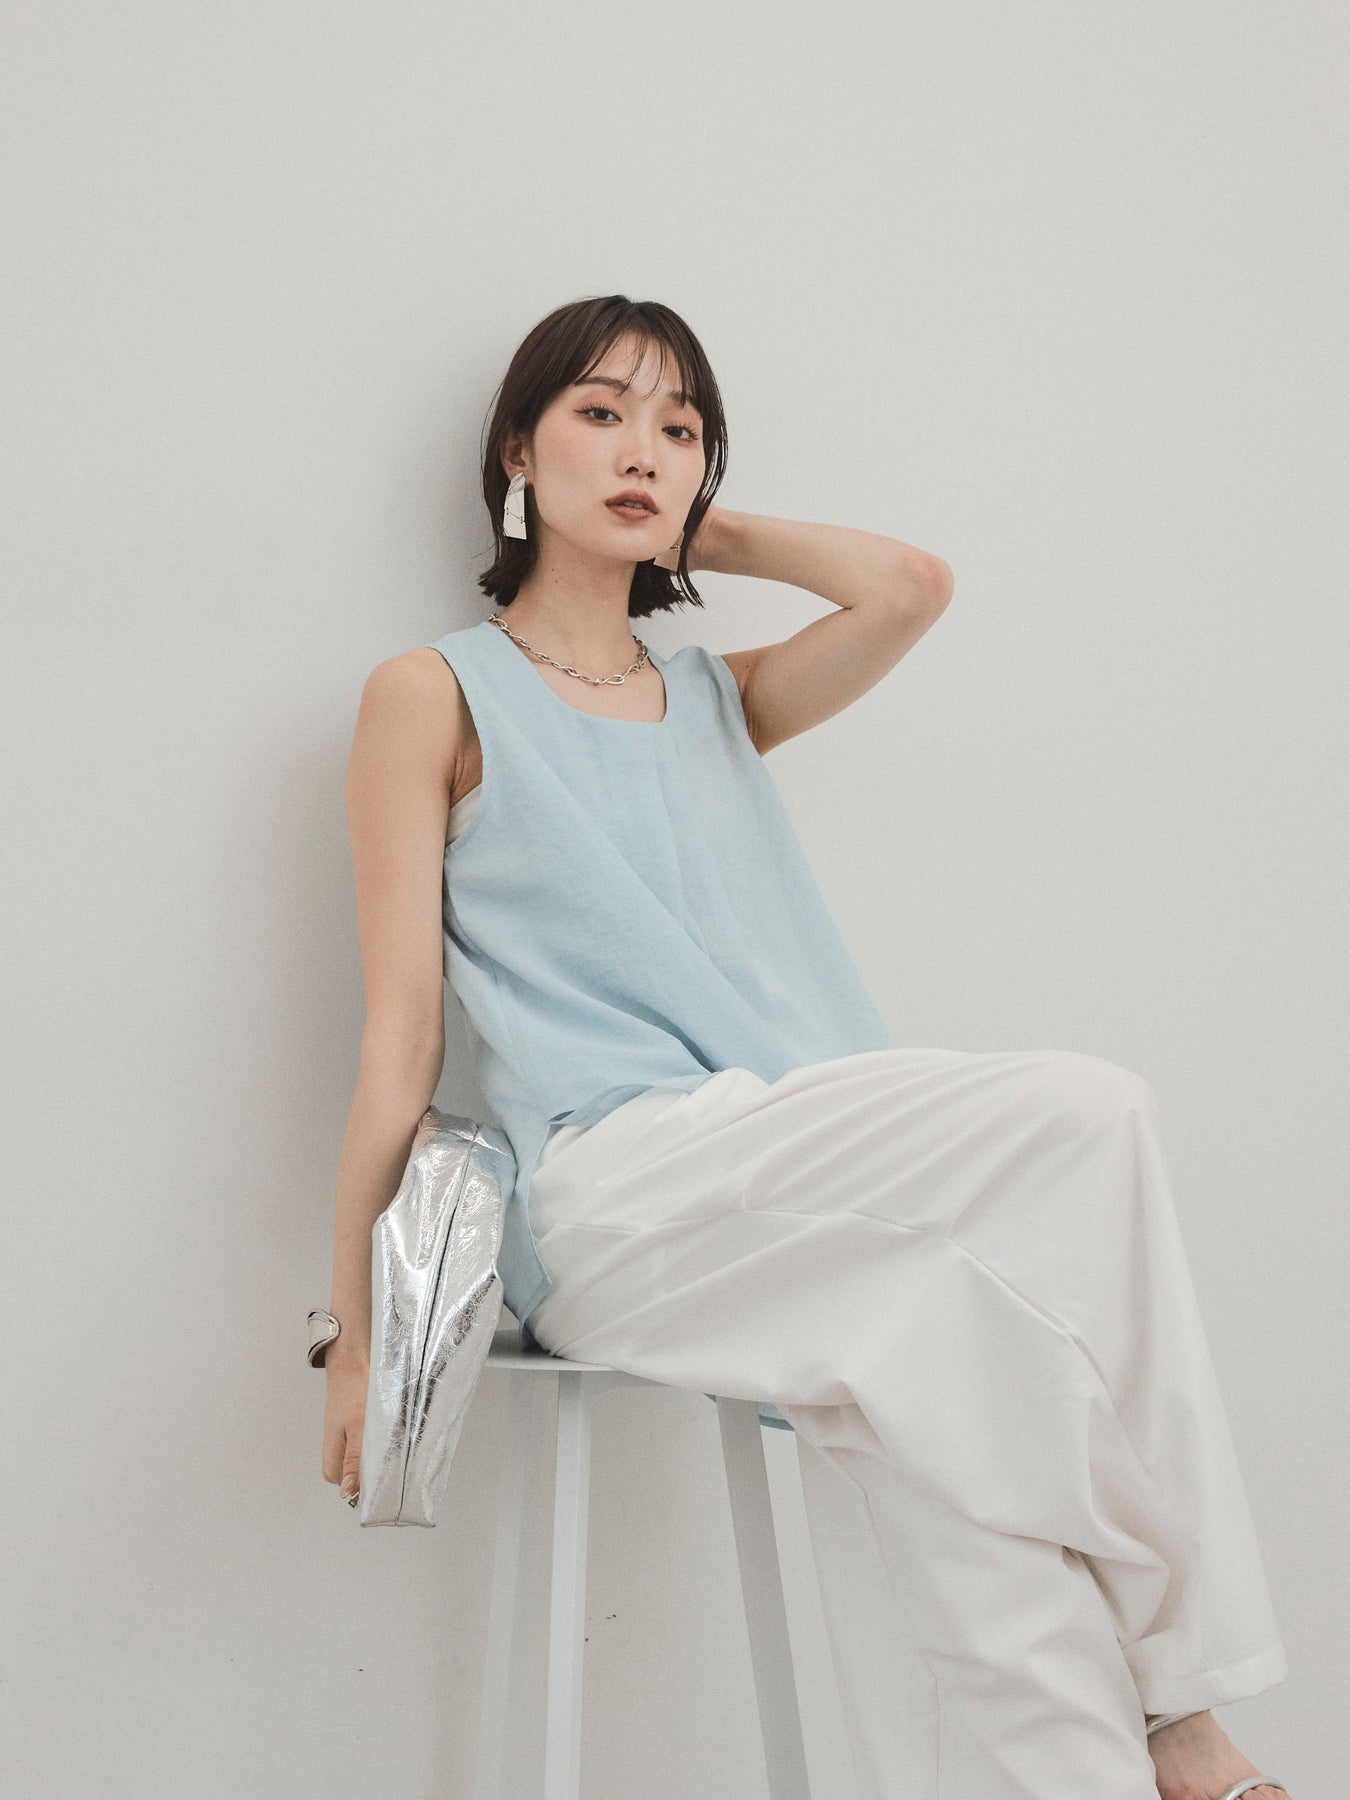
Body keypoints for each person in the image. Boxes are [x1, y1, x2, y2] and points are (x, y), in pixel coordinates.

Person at [320, 294, 1290, 1800]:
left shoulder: (718, 699)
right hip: (609, 1192)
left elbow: (908, 587)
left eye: (678, 428)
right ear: (516, 447)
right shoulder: (431, 693)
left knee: (962, 1403)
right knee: (1088, 1111)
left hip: (785, 1159)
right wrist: (357, 1333)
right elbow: (402, 1034)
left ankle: (1128, 1770)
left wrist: (693, 530)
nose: (641, 451)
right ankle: (1186, 1708)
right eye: (599, 414)